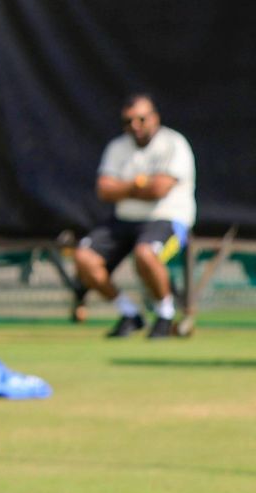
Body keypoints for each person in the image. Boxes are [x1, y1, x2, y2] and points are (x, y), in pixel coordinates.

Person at [72, 93, 196, 339]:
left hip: (168, 218)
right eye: (128, 121)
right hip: (124, 221)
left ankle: (165, 314)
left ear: (154, 118)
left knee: (145, 253)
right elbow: (104, 190)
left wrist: (125, 187)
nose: (135, 126)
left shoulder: (174, 144)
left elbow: (160, 189)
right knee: (83, 258)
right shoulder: (117, 147)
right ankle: (130, 313)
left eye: (141, 119)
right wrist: (140, 185)